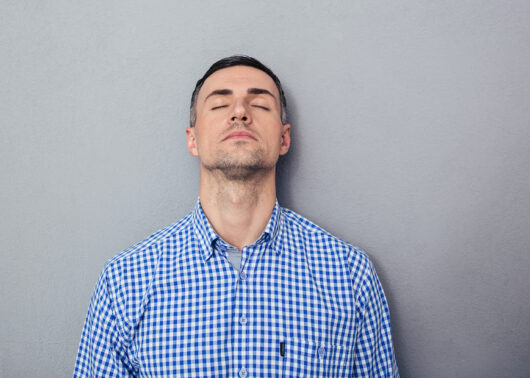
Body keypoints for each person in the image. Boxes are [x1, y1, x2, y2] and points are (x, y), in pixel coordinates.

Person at [74, 55, 399, 377]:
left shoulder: (348, 275)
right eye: (219, 105)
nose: (240, 113)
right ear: (193, 139)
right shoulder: (125, 281)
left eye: (259, 105)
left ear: (284, 138)